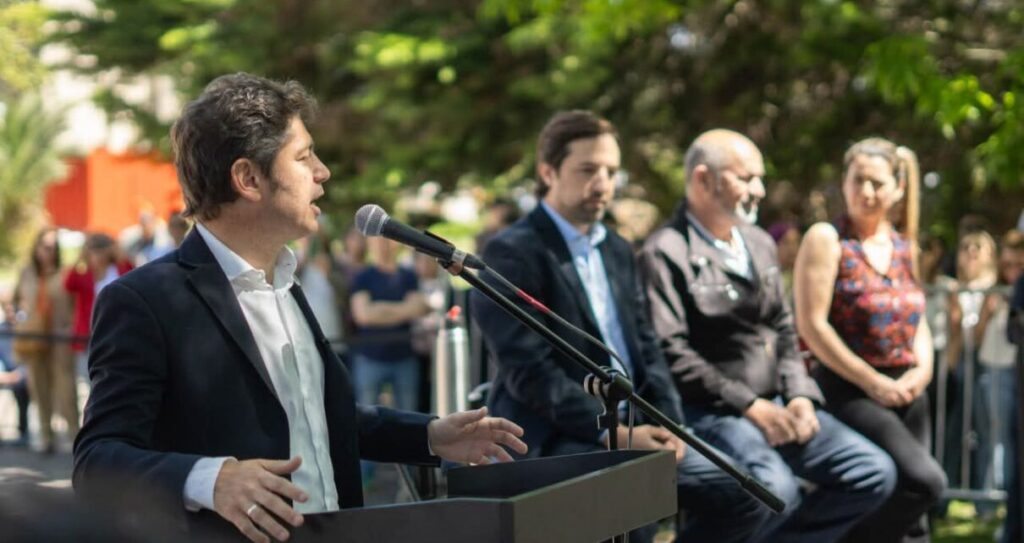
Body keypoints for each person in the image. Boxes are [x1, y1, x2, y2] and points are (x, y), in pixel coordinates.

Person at [73, 73, 527, 543]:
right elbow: (97, 462)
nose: (323, 171)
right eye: (304, 156)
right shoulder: (143, 301)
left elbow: (317, 417)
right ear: (248, 178)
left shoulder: (285, 282)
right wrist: (212, 479)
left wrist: (430, 435)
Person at [473, 111, 774, 543]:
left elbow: (647, 348)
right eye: (588, 170)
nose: (603, 183)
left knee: (749, 497)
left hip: (635, 425)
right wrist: (612, 431)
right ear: (547, 171)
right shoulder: (512, 252)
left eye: (612, 171)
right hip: (557, 434)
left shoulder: (618, 248)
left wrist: (670, 424)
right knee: (631, 503)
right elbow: (531, 373)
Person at [640, 129, 896, 543]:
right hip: (714, 412)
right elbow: (672, 351)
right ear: (703, 179)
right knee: (775, 491)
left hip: (778, 403)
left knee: (872, 471)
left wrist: (799, 395)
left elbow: (782, 326)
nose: (759, 190)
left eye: (760, 177)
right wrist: (752, 406)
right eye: (746, 178)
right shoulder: (665, 251)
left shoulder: (759, 242)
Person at [793, 137, 946, 542]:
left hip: (909, 391)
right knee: (924, 482)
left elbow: (918, 319)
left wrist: (923, 370)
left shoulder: (902, 244)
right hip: (851, 388)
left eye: (877, 183)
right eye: (857, 180)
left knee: (914, 520)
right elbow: (812, 325)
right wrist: (871, 381)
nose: (866, 192)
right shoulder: (828, 239)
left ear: (897, 188)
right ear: (843, 182)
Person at [972, 229, 1024, 509]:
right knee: (989, 438)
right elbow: (979, 336)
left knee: (1003, 440)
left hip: (1010, 372)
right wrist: (987, 313)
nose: (1014, 271)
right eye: (1009, 265)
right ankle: (988, 501)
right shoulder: (994, 291)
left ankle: (999, 501)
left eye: (1020, 265)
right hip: (987, 371)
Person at [13, 227, 77, 454]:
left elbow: (75, 304)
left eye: (53, 248)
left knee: (66, 389)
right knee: (39, 389)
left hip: (60, 339)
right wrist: (20, 320)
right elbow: (15, 300)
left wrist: (70, 326)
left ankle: (75, 437)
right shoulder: (27, 273)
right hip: (34, 338)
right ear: (37, 247)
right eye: (45, 247)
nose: (48, 252)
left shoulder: (65, 273)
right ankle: (46, 437)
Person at [64, 233, 133, 381]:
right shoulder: (83, 272)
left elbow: (135, 275)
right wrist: (80, 258)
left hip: (118, 332)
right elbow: (69, 284)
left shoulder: (120, 268)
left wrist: (120, 253)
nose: (98, 256)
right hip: (89, 335)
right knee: (90, 378)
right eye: (94, 251)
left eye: (101, 250)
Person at [0, 296, 30, 447]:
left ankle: (23, 431)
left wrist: (20, 373)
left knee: (21, 388)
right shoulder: (1, 330)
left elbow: (31, 359)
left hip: (23, 373)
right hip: (6, 372)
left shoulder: (26, 328)